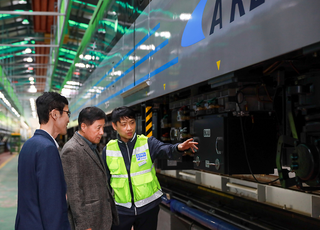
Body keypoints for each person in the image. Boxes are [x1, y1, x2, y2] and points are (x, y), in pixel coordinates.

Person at [102, 106, 198, 230]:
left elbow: (165, 149)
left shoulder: (147, 143)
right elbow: (105, 181)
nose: (129, 128)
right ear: (115, 126)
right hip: (121, 209)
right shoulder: (108, 150)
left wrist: (178, 148)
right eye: (124, 124)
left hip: (148, 207)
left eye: (132, 123)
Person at [15, 92, 71, 230]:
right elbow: (52, 205)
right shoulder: (47, 149)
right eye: (67, 113)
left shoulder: (28, 145)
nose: (68, 119)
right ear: (54, 114)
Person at [61, 107, 118, 230]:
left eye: (102, 127)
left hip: (101, 217)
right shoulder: (72, 150)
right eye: (98, 128)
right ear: (83, 126)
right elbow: (75, 194)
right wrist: (84, 226)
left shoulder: (90, 145)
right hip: (90, 222)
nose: (102, 132)